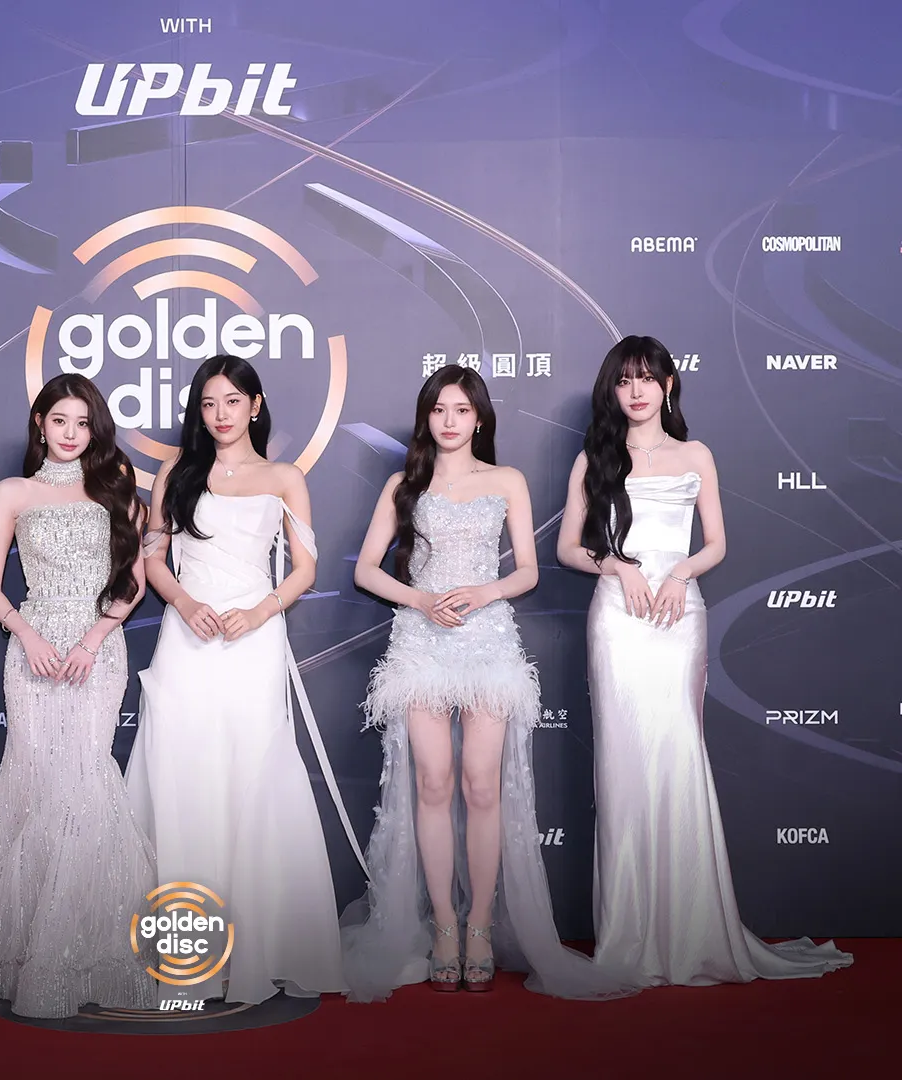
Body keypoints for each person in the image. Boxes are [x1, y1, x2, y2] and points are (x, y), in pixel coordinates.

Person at [557, 334, 852, 986]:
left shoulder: (696, 455)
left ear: (668, 384)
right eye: (624, 380)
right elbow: (567, 548)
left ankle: (691, 930)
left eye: (647, 377)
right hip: (617, 619)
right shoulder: (594, 458)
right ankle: (630, 935)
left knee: (679, 755)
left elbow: (716, 542)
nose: (636, 391)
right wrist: (616, 566)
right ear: (612, 391)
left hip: (678, 617)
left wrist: (679, 573)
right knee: (622, 767)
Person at [341, 366, 634, 1001]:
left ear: (479, 419)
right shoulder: (403, 484)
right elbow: (366, 570)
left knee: (480, 784)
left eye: (462, 410)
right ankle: (443, 927)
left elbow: (528, 571)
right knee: (432, 782)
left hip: (487, 639)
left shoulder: (507, 481)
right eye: (439, 410)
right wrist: (421, 600)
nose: (450, 421)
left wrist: (483, 592)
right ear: (426, 418)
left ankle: (479, 927)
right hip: (421, 640)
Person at [0, 373, 157, 1017]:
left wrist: (92, 639)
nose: (70, 434)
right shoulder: (12, 492)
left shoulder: (118, 492)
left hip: (98, 651)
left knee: (86, 780)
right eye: (59, 420)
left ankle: (85, 945)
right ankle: (25, 944)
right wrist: (29, 633)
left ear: (95, 430)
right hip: (32, 650)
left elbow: (132, 584)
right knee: (37, 783)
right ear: (40, 423)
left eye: (82, 423)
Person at [125, 354, 360, 1004]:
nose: (220, 414)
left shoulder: (285, 478)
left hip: (253, 639)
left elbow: (305, 570)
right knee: (182, 775)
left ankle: (261, 950)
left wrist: (258, 612)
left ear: (255, 406)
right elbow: (153, 555)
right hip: (187, 637)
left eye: (232, 401)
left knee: (255, 774)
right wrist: (185, 603)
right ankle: (185, 954)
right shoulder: (177, 470)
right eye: (208, 403)